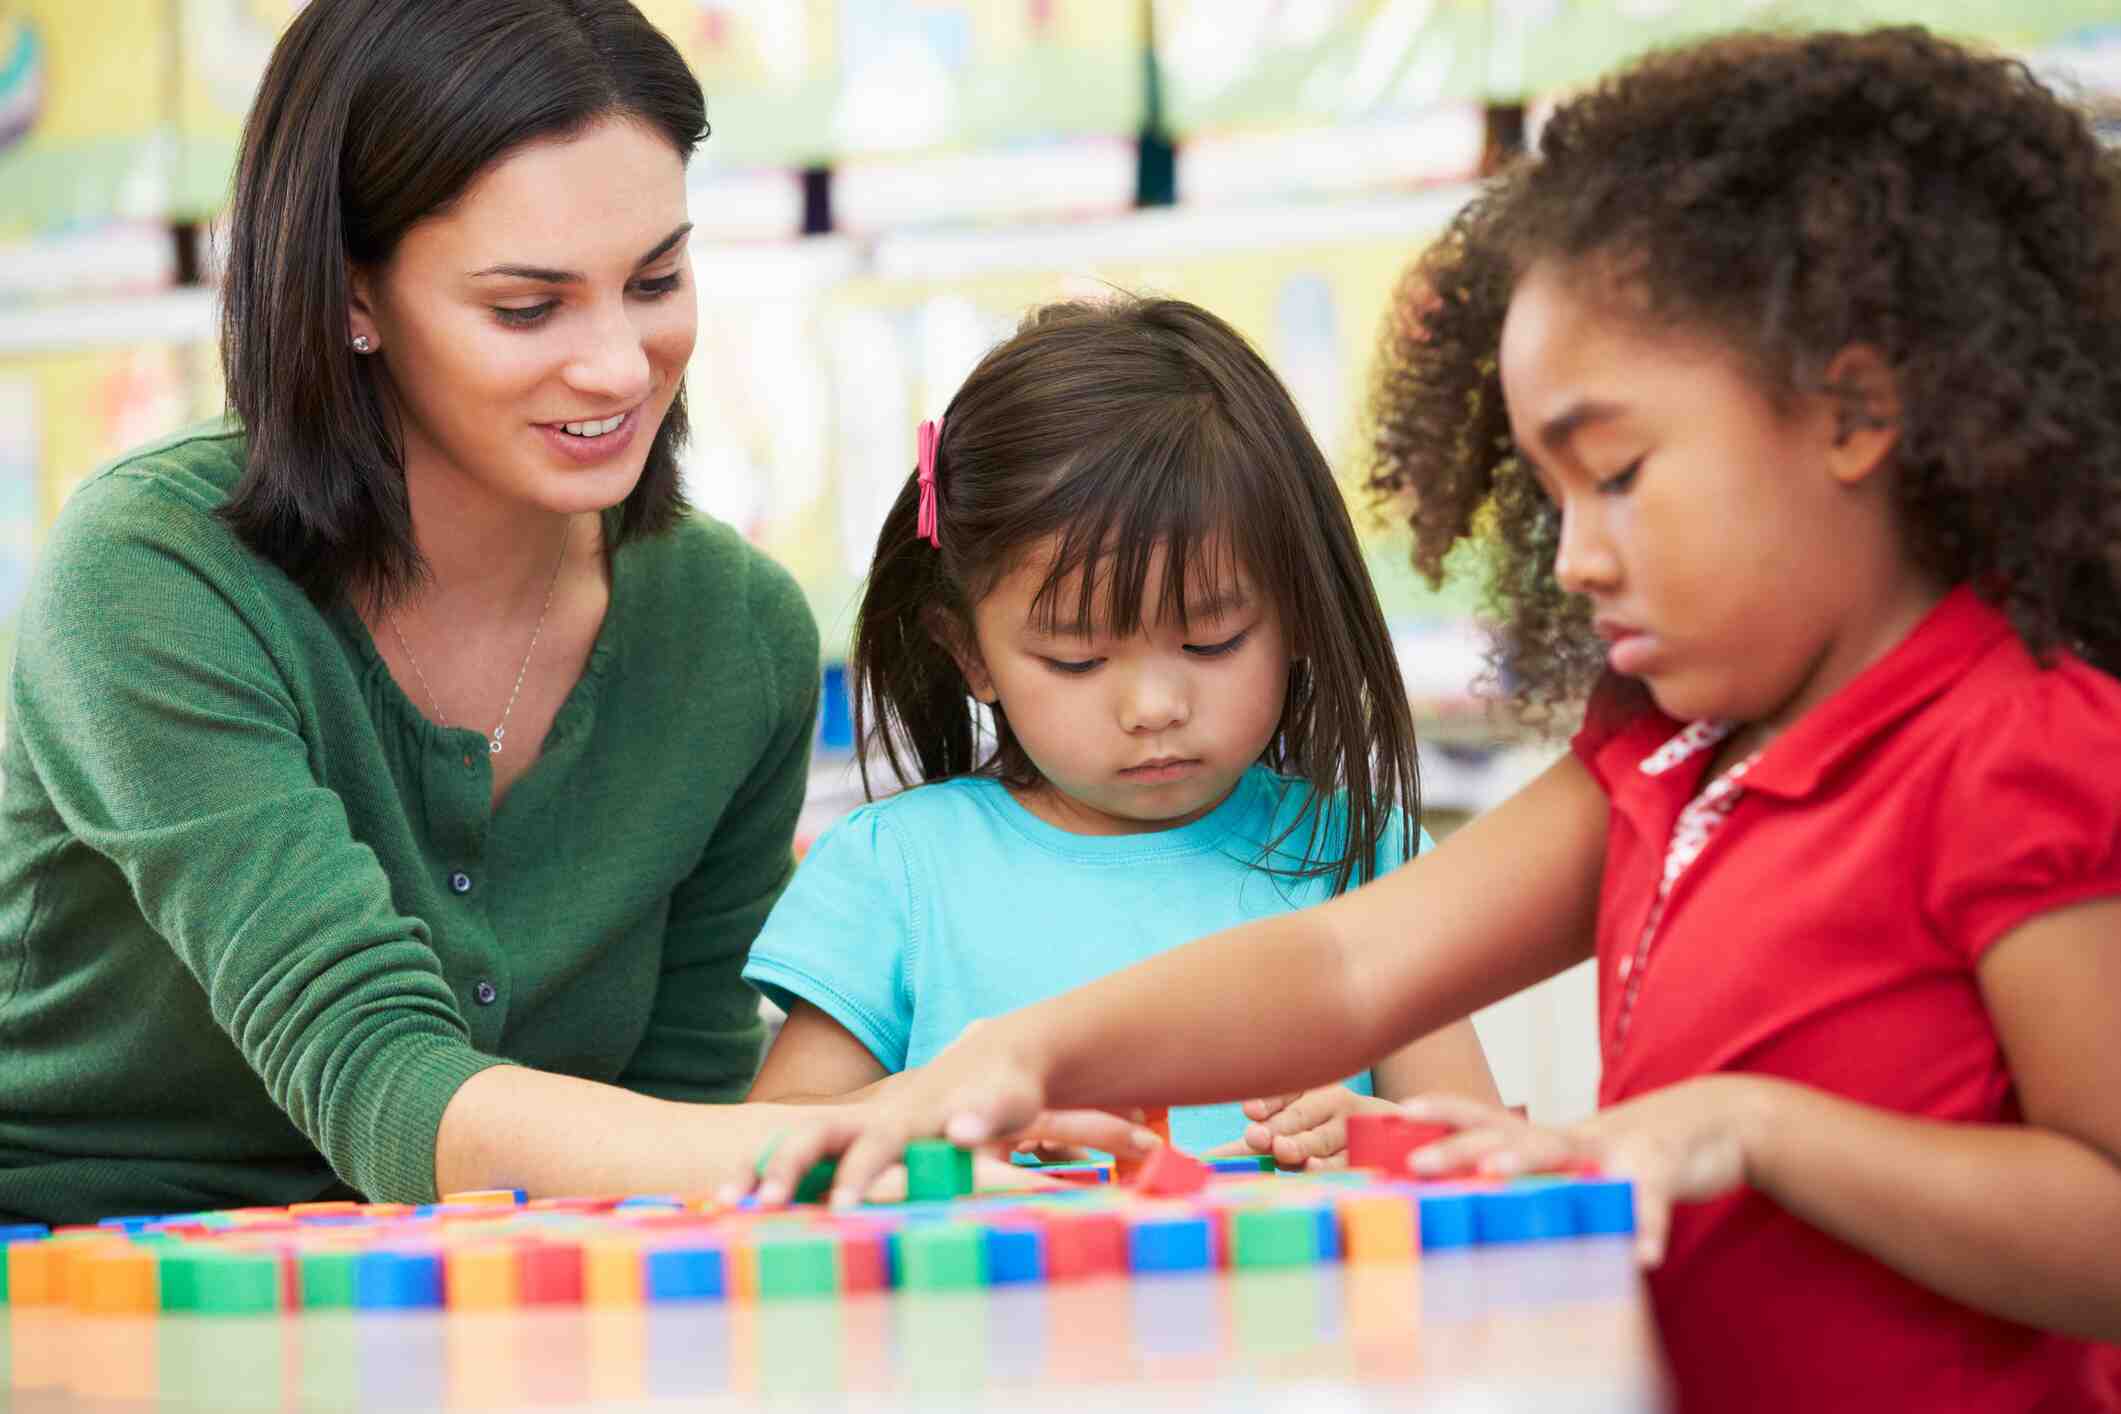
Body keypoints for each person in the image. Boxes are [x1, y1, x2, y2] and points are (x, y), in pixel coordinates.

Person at [748, 29, 2121, 1412]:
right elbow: (1347, 967)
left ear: (1855, 412)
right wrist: (1021, 1052)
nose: (1572, 557)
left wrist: (1752, 1130)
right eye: (1548, 492)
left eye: (1619, 474)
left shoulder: (2024, 752)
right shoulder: (1655, 755)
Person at [0, 0, 855, 1224]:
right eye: (528, 307)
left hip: (491, 1287)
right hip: (70, 1270)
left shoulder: (735, 635)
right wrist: (836, 1140)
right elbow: (377, 1072)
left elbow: (678, 1121)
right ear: (354, 296)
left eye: (657, 278)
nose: (620, 365)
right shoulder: (151, 573)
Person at [738, 297, 1497, 1156]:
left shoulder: (1363, 859)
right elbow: (774, 1146)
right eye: (1076, 660)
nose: (1153, 707)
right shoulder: (898, 875)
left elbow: (1472, 1152)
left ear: (1295, 608)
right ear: (971, 652)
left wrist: (1380, 1138)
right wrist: (931, 1134)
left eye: (1211, 639)